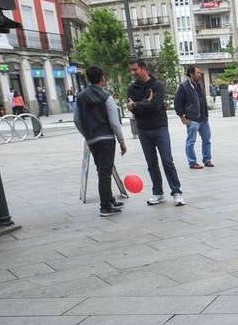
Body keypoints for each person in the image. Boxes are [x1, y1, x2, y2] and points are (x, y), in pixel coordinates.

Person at [128, 57, 184, 206]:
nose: (133, 72)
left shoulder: (157, 85)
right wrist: (145, 103)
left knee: (167, 161)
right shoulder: (132, 88)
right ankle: (158, 193)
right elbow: (135, 109)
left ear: (144, 68)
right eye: (131, 70)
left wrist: (138, 105)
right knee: (151, 163)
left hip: (160, 127)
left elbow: (155, 106)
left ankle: (177, 192)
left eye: (135, 69)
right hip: (143, 129)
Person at [73, 65, 127, 218]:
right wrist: (121, 141)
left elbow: (76, 120)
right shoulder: (106, 96)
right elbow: (114, 122)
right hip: (106, 138)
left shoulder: (81, 97)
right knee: (105, 171)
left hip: (93, 140)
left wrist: (87, 134)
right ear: (102, 77)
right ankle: (105, 207)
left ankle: (110, 199)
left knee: (103, 169)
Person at [175, 64, 213, 169]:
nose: (200, 74)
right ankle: (192, 162)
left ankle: (207, 159)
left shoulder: (199, 84)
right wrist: (181, 116)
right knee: (191, 141)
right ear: (191, 74)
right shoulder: (184, 86)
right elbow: (177, 102)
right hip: (192, 119)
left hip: (203, 118)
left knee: (207, 140)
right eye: (198, 73)